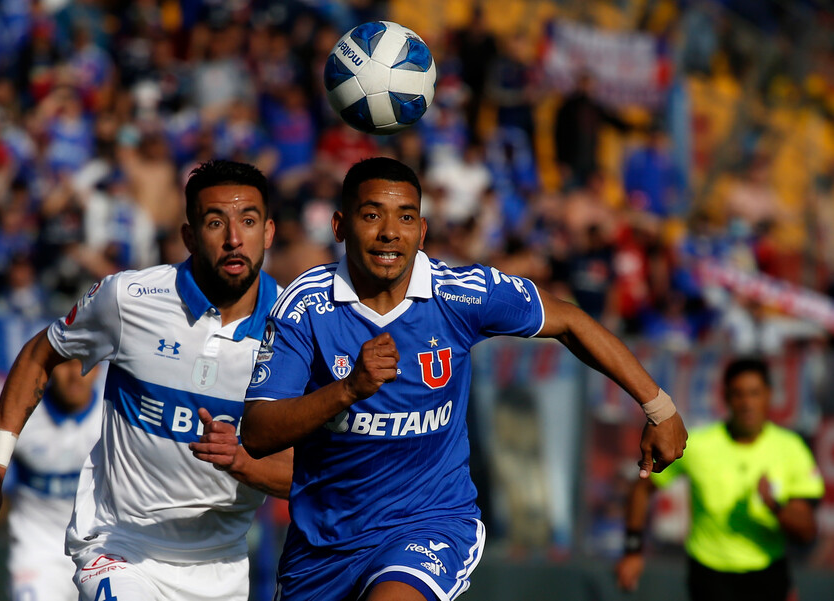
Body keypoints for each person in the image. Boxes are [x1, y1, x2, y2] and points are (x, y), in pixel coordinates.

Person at [240, 157, 688, 601]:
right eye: (372, 215)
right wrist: (347, 390)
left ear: (423, 231)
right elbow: (258, 433)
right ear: (340, 226)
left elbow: (571, 322)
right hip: (324, 545)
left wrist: (659, 407)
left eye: (406, 217)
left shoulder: (458, 292)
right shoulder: (304, 306)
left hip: (429, 525)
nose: (390, 232)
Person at [0, 159, 293, 601]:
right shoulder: (129, 299)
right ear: (189, 236)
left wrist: (241, 461)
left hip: (220, 567)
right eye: (216, 222)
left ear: (268, 232)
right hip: (119, 546)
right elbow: (41, 354)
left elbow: (306, 474)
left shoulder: (295, 329)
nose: (234, 239)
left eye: (248, 221)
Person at [615, 356, 824, 601]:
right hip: (709, 574)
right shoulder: (699, 444)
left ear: (769, 395)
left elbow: (807, 530)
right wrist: (633, 550)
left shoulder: (791, 448)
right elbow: (642, 487)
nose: (747, 403)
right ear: (725, 397)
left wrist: (774, 505)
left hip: (767, 572)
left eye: (754, 393)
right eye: (739, 394)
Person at [0, 359, 103, 601]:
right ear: (51, 365)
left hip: (100, 549)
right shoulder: (20, 415)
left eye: (84, 364)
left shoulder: (114, 418)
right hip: (36, 552)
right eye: (66, 364)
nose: (76, 374)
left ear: (98, 368)